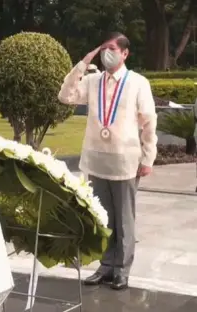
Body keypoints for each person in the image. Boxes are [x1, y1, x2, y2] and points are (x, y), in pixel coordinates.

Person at [58, 32, 158, 290]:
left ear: (125, 53)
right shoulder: (93, 81)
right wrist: (82, 64)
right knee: (102, 217)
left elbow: (148, 122)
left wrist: (148, 157)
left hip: (125, 161)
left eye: (112, 49)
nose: (106, 53)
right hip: (96, 159)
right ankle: (105, 265)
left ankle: (122, 269)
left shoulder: (137, 82)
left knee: (124, 218)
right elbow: (65, 96)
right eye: (104, 49)